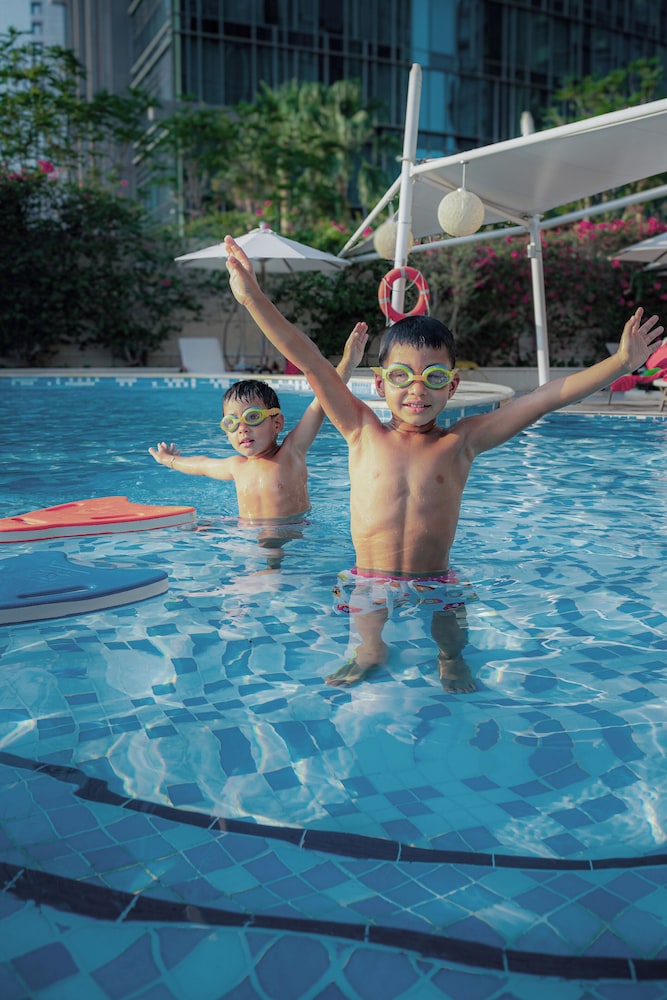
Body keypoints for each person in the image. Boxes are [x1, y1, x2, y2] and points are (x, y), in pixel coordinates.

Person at [223, 234, 663, 690]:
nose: (417, 389)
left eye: (433, 377)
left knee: (451, 637)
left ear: (452, 386)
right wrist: (253, 298)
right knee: (368, 634)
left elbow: (543, 399)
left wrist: (620, 363)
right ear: (380, 384)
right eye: (402, 376)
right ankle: (372, 650)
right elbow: (310, 360)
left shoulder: (461, 442)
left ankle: (450, 659)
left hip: (436, 578)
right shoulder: (361, 430)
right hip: (370, 577)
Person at [149, 322, 368, 567]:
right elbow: (202, 465)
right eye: (232, 423)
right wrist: (169, 460)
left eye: (252, 417)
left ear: (277, 423)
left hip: (287, 529)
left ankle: (270, 572)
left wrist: (348, 363)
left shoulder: (291, 452)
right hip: (246, 528)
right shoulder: (236, 466)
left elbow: (322, 402)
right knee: (190, 528)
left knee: (269, 544)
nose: (242, 428)